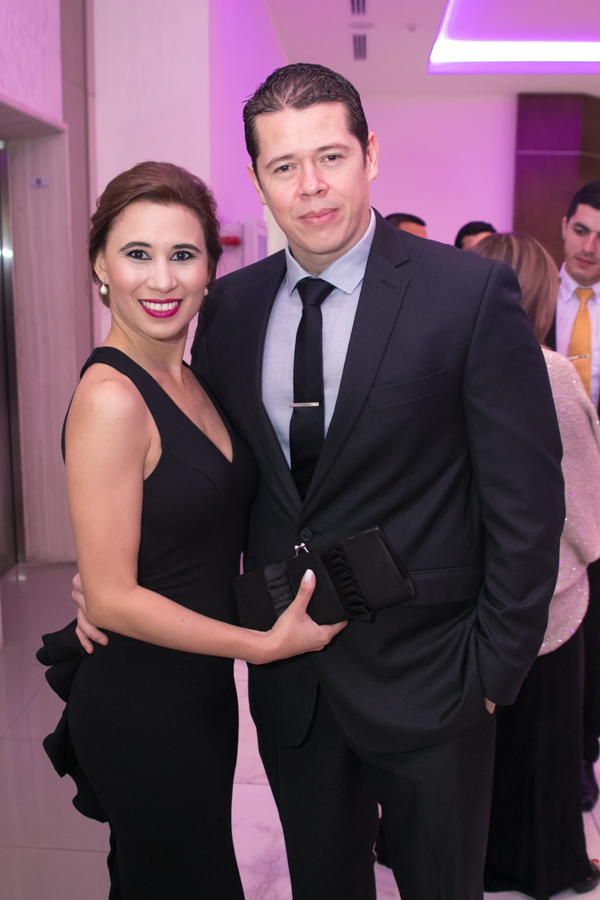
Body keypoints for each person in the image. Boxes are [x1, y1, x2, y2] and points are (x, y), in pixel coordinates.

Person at [76, 64, 565, 900]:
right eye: (283, 165)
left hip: (437, 678)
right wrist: (109, 577)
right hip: (293, 687)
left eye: (330, 156)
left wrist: (495, 672)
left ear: (369, 154)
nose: (310, 186)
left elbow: (528, 501)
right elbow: (209, 477)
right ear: (257, 179)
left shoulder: (466, 293)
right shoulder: (226, 309)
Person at [39, 161, 344, 900]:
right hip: (142, 701)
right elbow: (112, 599)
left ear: (211, 268)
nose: (161, 279)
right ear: (100, 266)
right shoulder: (112, 396)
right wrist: (261, 646)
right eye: (136, 254)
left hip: (195, 692)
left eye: (183, 254)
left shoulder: (191, 375)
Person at [475, 232, 600, 899]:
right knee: (543, 742)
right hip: (544, 596)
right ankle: (541, 864)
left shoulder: (449, 360)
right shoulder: (548, 371)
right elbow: (581, 499)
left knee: (478, 745)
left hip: (471, 593)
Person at [544, 180, 600, 812]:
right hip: (545, 495)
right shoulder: (527, 298)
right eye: (581, 230)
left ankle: (584, 752)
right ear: (564, 226)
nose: (589, 246)